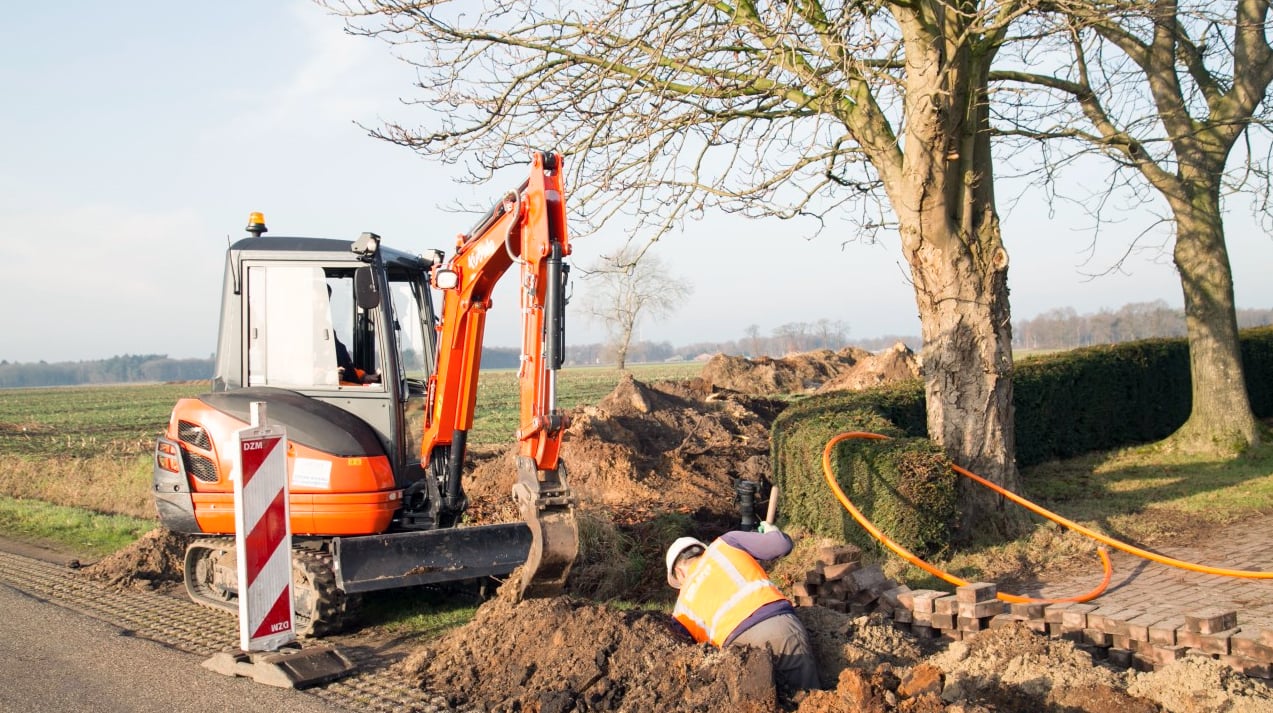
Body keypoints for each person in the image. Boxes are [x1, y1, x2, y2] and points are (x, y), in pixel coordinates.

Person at [666, 523, 821, 694]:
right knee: (809, 699)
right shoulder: (725, 544)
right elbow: (782, 545)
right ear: (702, 550)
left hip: (738, 656)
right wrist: (772, 531)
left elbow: (685, 655)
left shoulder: (680, 609)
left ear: (679, 573)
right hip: (777, 629)